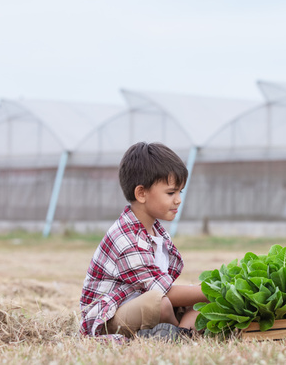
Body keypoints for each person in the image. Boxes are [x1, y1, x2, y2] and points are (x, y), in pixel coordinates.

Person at [80, 142, 207, 341]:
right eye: (171, 193)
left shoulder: (157, 233)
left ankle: (177, 335)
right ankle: (181, 335)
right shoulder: (125, 236)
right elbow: (161, 291)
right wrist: (210, 290)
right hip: (111, 316)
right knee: (160, 302)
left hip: (147, 305)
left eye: (180, 192)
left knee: (200, 305)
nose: (178, 200)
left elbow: (164, 284)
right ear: (141, 193)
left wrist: (204, 295)